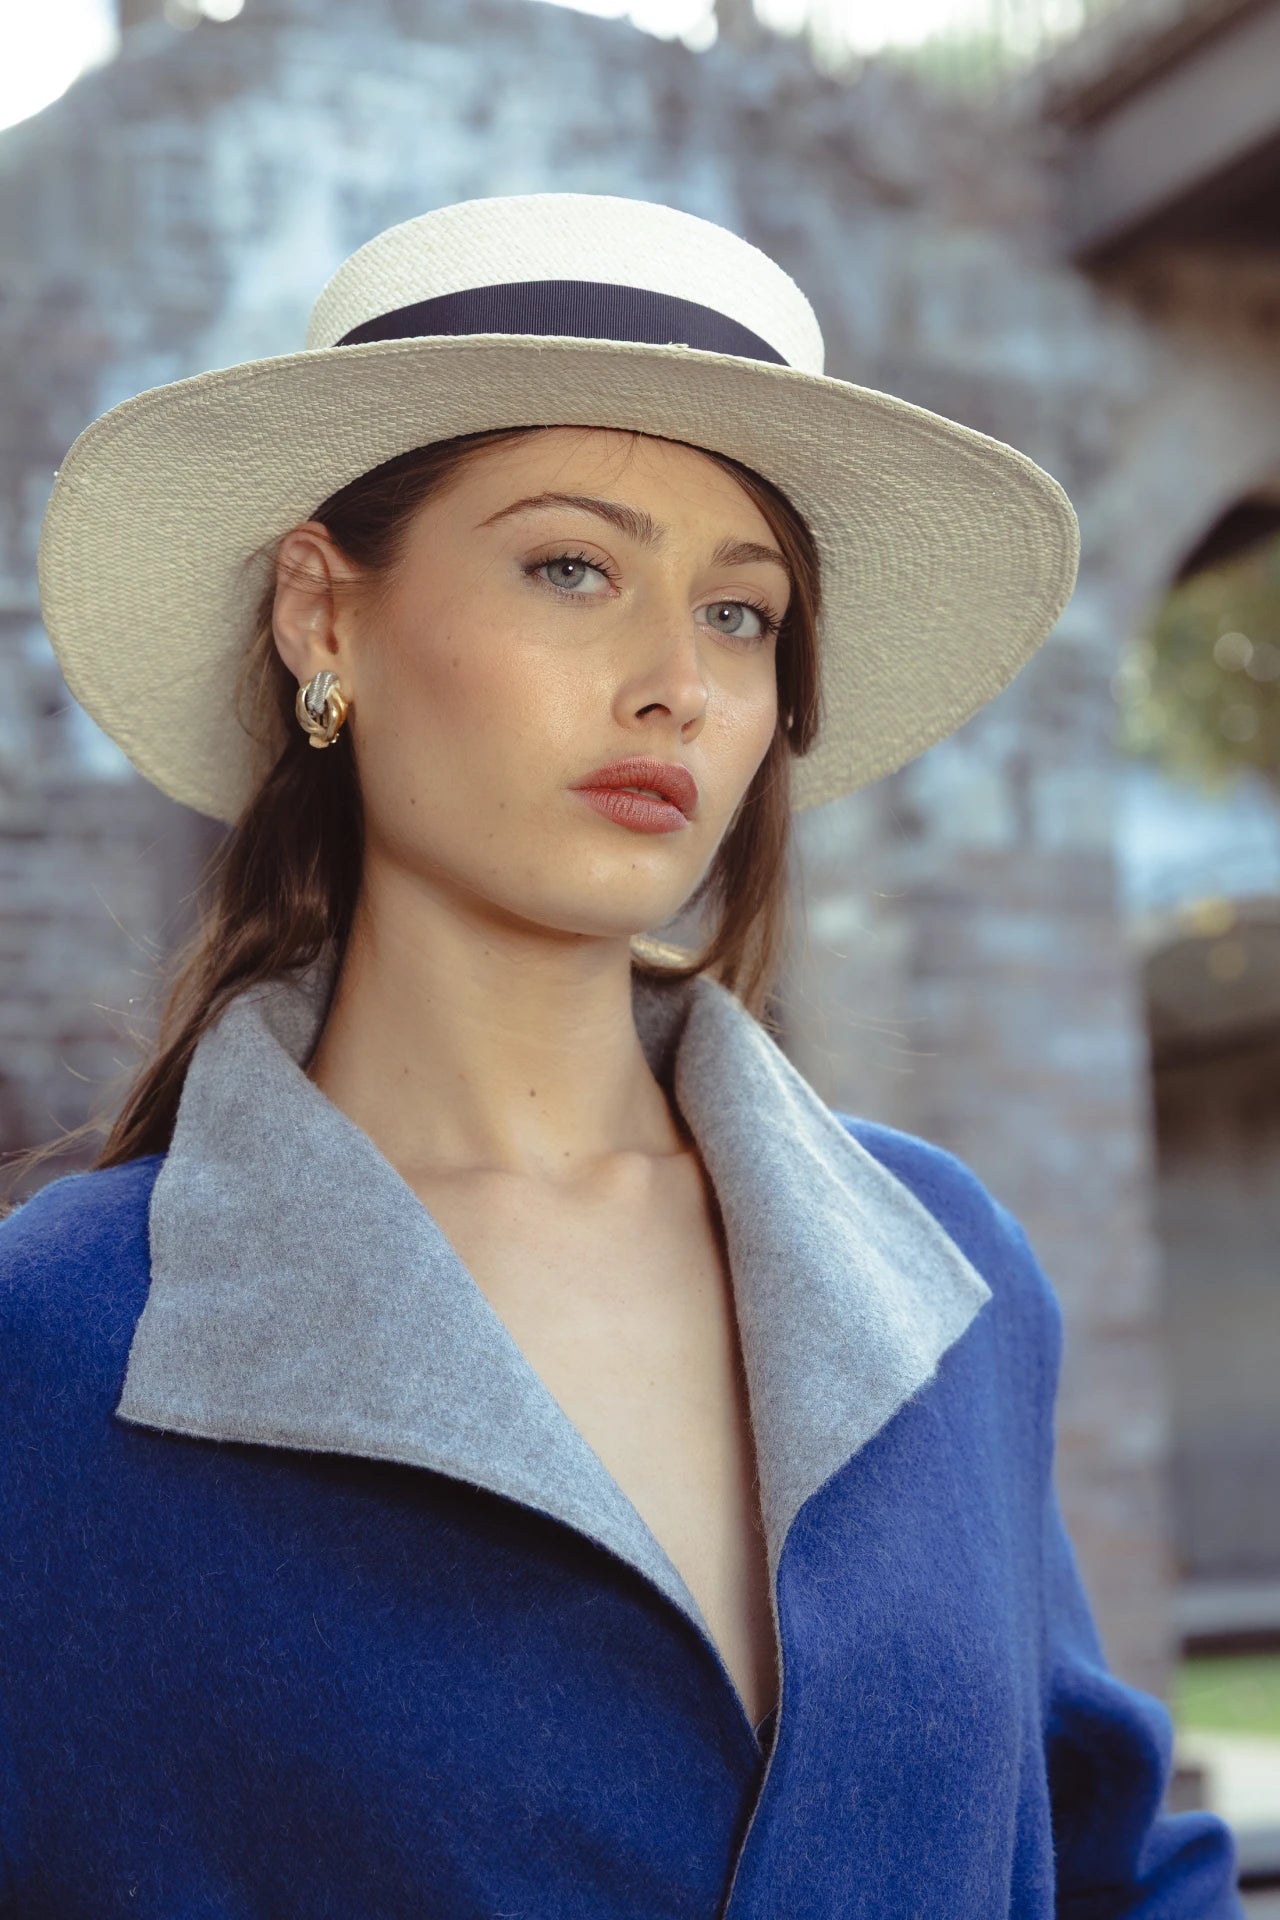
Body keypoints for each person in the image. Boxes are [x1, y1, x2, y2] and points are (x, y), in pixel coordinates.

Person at [0, 193, 1243, 1918]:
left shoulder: (946, 1264)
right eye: (572, 567)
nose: (676, 680)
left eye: (740, 615)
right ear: (322, 616)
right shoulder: (58, 1339)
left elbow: (1110, 1865)